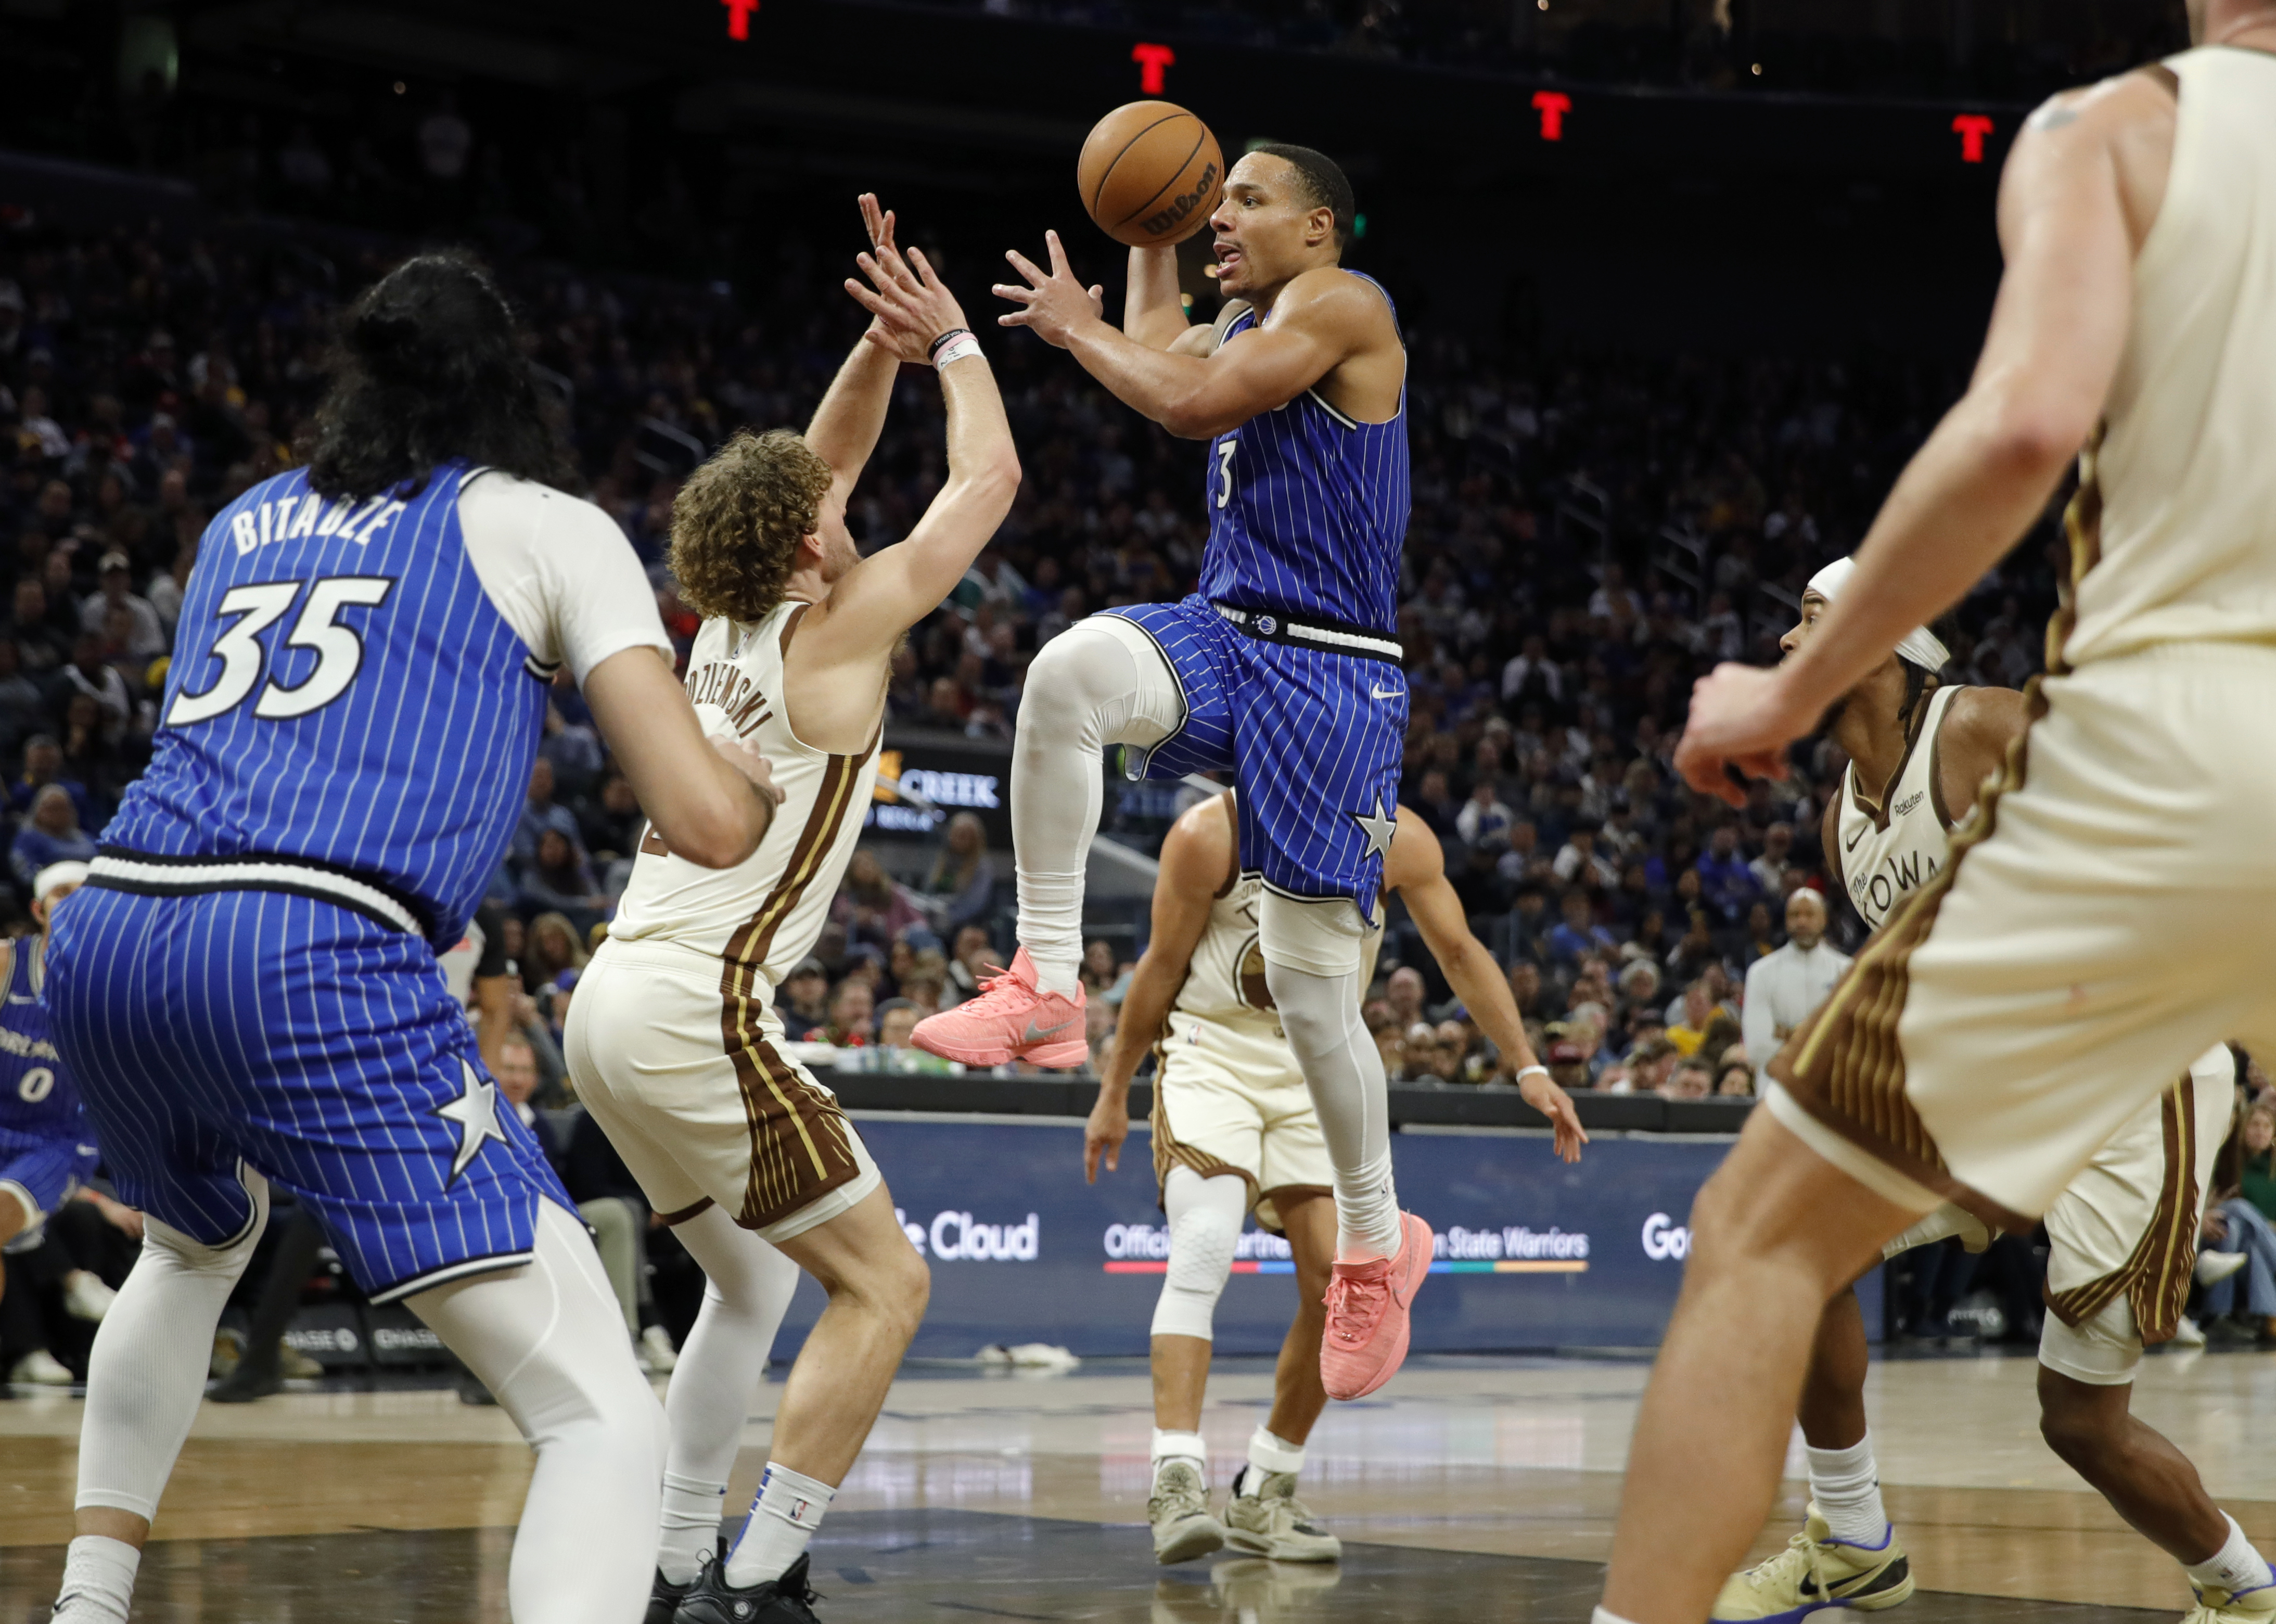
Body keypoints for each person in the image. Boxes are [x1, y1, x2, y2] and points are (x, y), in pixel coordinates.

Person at [1615, 33, 2276, 1624]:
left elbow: (2025, 423)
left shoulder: (2119, 125)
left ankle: (2241, 1583)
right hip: (2076, 1003)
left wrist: (1773, 694)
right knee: (1823, 1257)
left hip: (2176, 777)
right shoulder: (1847, 821)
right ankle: (1851, 1528)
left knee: (1763, 1244)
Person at [44, 250, 783, 1624]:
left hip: (114, 926)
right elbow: (701, 819)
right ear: (508, 390)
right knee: (598, 1417)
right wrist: (759, 767)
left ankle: (89, 1605)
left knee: (190, 1248)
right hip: (306, 943)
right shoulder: (548, 523)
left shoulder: (242, 518)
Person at [565, 198, 1019, 1624]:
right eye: (832, 511)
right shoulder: (837, 627)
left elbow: (812, 459)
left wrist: (871, 345)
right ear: (809, 546)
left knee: (751, 1288)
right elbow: (985, 483)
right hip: (699, 1005)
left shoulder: (727, 616)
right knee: (886, 1289)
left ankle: (671, 1555)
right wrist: (947, 345)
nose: (847, 499)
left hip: (611, 1007)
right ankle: (758, 1576)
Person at [922, 144, 1427, 1402]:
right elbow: (1163, 344)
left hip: (1329, 664)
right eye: (1213, 199)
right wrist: (1138, 239)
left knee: (1314, 997)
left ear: (1318, 225)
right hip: (1226, 625)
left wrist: (1078, 331)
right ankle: (1044, 979)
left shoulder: (1342, 304)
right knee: (1066, 672)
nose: (1221, 216)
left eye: (1244, 201)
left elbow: (1187, 400)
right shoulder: (1246, 314)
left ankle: (1375, 1241)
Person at [1084, 791, 1584, 1565]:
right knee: (1205, 1242)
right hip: (1212, 1052)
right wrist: (1114, 1090)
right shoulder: (1207, 833)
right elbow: (1159, 963)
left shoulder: (1396, 835)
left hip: (1318, 1064)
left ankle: (1266, 1488)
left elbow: (1457, 952)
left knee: (1337, 1284)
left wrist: (1526, 1064)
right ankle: (1175, 1475)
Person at [0, 864, 104, 1371]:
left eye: (88, 894)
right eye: (63, 893)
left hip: (57, 1143)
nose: (77, 901)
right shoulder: (5, 966)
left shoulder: (123, 985)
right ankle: (68, 1287)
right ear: (40, 910)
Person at [1738, 890, 1849, 1095]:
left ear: (1824, 919)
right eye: (1795, 915)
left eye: (1809, 914)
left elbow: (1850, 1042)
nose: (1802, 921)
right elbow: (1757, 1047)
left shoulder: (1846, 971)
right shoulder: (1761, 972)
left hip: (1832, 1091)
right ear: (1786, 920)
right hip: (1775, 1090)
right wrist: (1819, 1036)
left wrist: (1788, 1033)